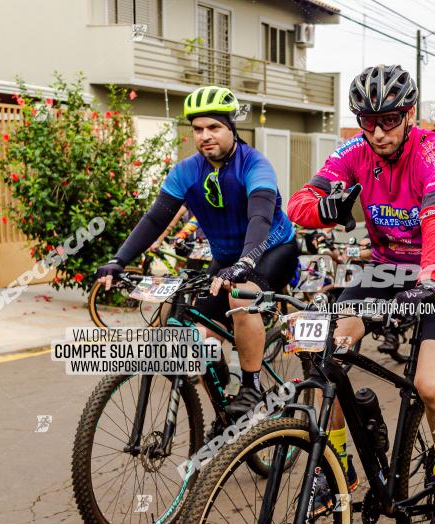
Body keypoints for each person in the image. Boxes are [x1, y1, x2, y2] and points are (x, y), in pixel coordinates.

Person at [285, 64, 435, 524]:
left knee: (429, 386)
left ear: (409, 115)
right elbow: (298, 204)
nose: (378, 131)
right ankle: (340, 466)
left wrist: (431, 272)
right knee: (327, 358)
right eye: (368, 121)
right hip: (385, 269)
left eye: (388, 120)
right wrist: (324, 208)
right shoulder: (354, 150)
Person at [95, 85, 299, 414]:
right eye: (198, 129)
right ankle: (224, 405)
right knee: (198, 331)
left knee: (240, 296)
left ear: (232, 128)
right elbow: (154, 220)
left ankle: (251, 387)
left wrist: (246, 262)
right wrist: (118, 260)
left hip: (271, 249)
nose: (205, 135)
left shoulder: (255, 165)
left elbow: (260, 216)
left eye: (214, 127)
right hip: (226, 257)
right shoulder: (187, 171)